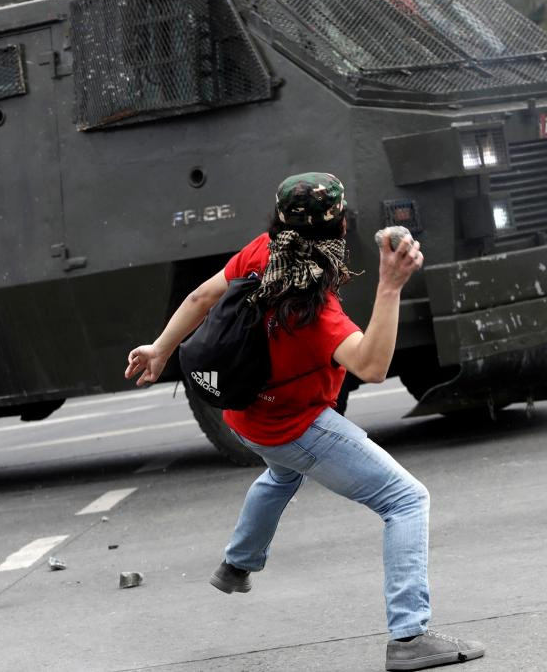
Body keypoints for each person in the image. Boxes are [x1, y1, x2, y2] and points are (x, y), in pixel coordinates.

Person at [125, 173, 485, 672]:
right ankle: (409, 636)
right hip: (295, 426)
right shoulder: (315, 313)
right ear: (339, 229)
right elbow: (372, 366)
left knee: (281, 473)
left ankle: (237, 564)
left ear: (278, 223)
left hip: (243, 415)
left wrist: (160, 349)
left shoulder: (259, 252)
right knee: (406, 500)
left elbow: (199, 299)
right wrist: (390, 286)